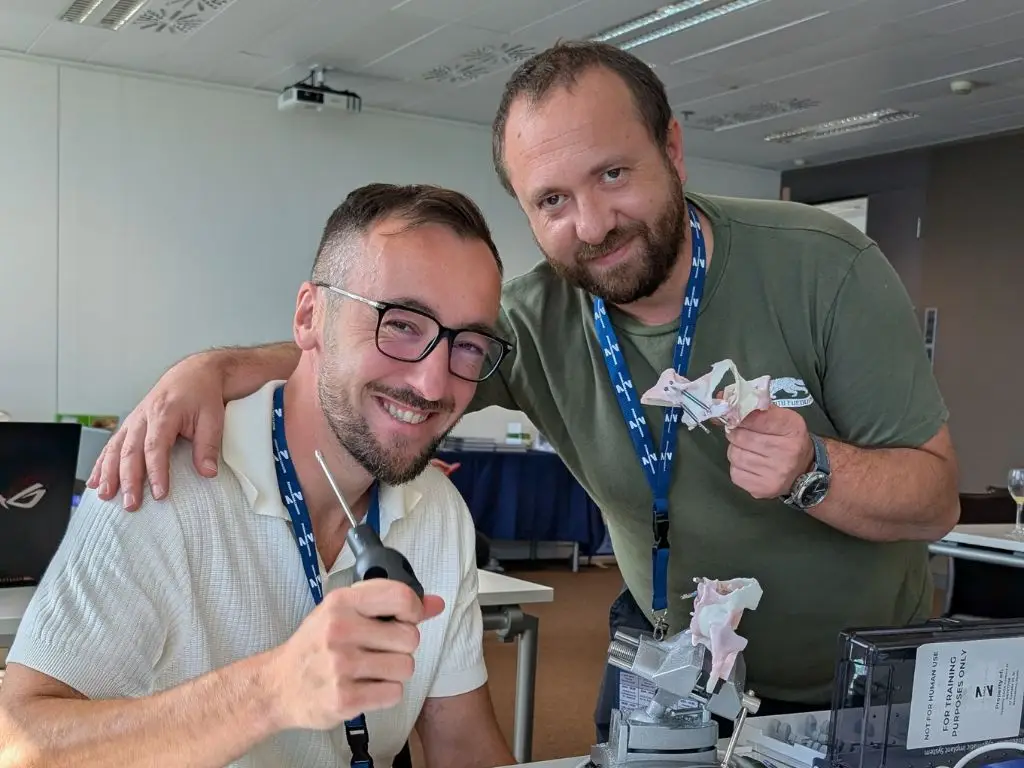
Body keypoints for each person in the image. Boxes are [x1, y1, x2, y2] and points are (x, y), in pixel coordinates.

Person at [89, 41, 960, 741]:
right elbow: (387, 349)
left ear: (672, 148)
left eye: (613, 175)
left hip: (862, 680)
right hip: (668, 666)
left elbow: (935, 500)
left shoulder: (823, 267)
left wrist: (814, 471)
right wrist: (212, 369)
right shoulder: (535, 317)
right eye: (551, 200)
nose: (590, 224)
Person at [0, 183, 517, 768]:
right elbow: (21, 744)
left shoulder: (438, 509)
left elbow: (464, 747)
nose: (432, 384)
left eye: (468, 344)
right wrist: (273, 692)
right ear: (309, 317)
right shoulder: (163, 486)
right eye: (400, 324)